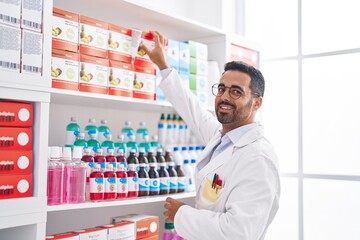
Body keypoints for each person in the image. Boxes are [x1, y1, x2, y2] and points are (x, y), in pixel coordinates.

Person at [140, 32, 280, 240]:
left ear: (257, 103)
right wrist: (163, 64)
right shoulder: (222, 138)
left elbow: (238, 233)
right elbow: (192, 109)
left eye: (236, 92)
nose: (224, 97)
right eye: (221, 89)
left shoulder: (257, 158)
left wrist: (183, 215)